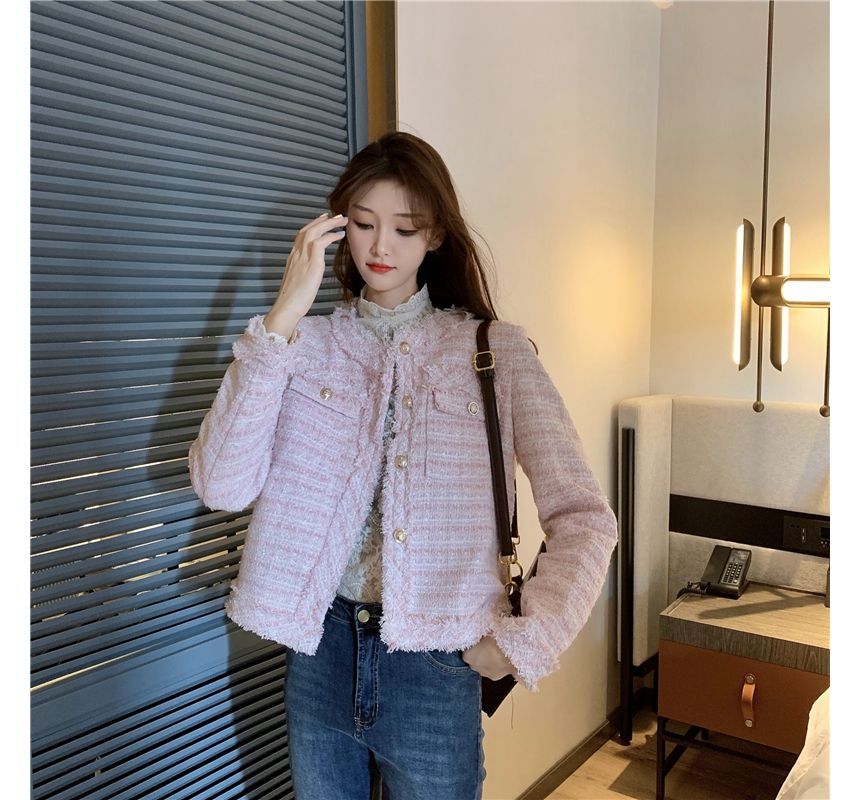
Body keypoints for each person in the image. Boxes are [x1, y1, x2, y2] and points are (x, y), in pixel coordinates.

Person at [188, 131, 618, 800]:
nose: (380, 247)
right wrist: (282, 316)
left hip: (435, 667)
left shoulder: (494, 353)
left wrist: (525, 640)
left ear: (436, 234)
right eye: (363, 224)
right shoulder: (303, 346)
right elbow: (221, 484)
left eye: (405, 228)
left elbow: (586, 517)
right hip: (319, 651)